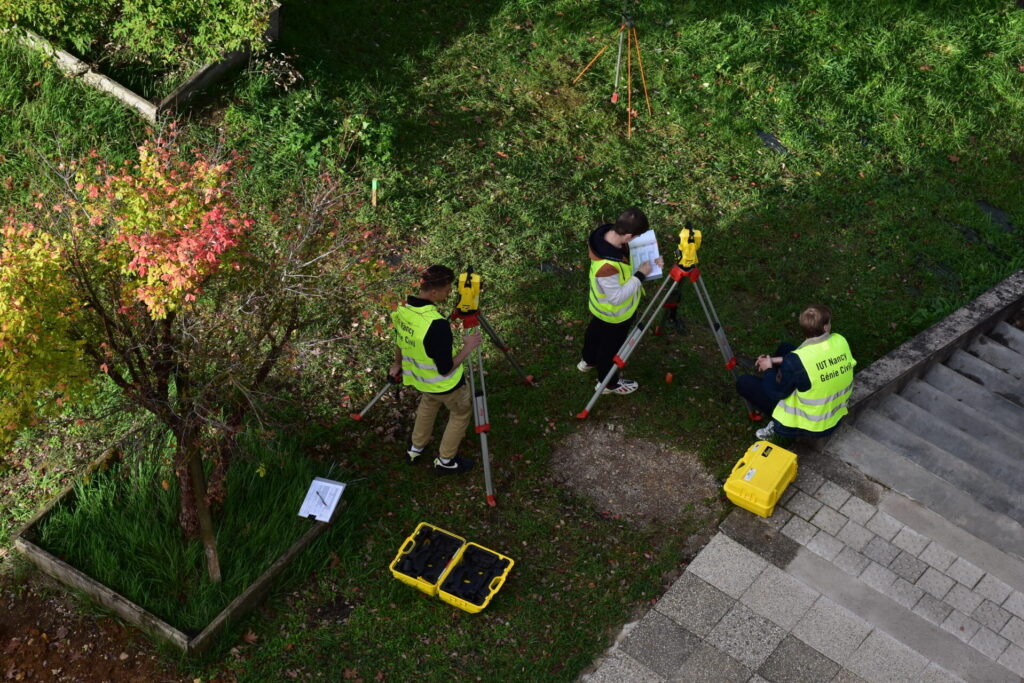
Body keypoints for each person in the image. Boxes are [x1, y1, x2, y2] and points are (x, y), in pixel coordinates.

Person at [389, 265, 481, 473]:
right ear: (433, 292)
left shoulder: (404, 312)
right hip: (446, 385)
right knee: (460, 414)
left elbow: (400, 341)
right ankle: (446, 461)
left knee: (428, 406)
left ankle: (416, 448)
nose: (450, 292)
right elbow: (446, 368)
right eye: (448, 289)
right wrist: (468, 347)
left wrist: (397, 363)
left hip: (422, 381)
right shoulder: (436, 325)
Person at [736, 304, 855, 440]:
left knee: (744, 382)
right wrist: (776, 361)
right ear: (826, 327)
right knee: (785, 348)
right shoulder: (840, 340)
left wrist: (768, 369)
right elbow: (806, 362)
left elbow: (776, 393)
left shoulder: (796, 361)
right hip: (836, 412)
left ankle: (776, 422)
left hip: (813, 426)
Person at [577, 207, 663, 395]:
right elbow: (617, 298)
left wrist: (651, 260)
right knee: (610, 349)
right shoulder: (607, 268)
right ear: (629, 235)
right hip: (615, 314)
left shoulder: (606, 237)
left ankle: (588, 361)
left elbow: (623, 263)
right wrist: (641, 274)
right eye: (635, 238)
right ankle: (608, 383)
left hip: (600, 308)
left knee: (594, 333)